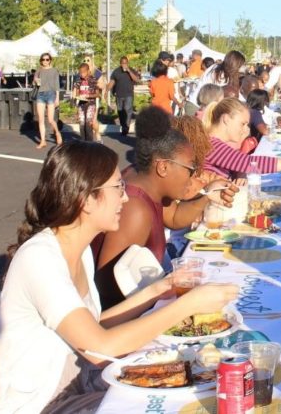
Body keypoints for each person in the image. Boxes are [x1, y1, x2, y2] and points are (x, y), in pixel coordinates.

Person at [0, 142, 239, 414]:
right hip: (42, 403)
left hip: (78, 383)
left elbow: (92, 326)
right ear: (87, 199)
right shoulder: (39, 260)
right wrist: (188, 304)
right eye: (118, 188)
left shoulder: (79, 248)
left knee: (200, 380)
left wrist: (159, 289)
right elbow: (99, 345)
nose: (124, 198)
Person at [93, 107, 236, 308]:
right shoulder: (135, 208)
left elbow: (175, 217)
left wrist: (206, 196)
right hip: (126, 318)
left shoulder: (146, 180)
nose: (193, 176)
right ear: (163, 167)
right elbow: (108, 284)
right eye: (190, 168)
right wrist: (163, 293)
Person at [203, 98, 281, 179]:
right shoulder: (210, 145)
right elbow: (251, 164)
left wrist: (240, 172)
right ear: (226, 119)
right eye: (242, 124)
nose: (245, 129)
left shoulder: (211, 141)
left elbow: (238, 161)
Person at [33, 52, 63, 148]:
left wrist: (57, 98)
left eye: (47, 59)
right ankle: (43, 141)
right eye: (43, 59)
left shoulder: (54, 71)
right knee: (40, 120)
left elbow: (57, 85)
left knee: (50, 119)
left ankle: (57, 133)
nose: (45, 61)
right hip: (40, 95)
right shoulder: (39, 70)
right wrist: (35, 80)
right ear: (41, 61)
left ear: (50, 60)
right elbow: (34, 82)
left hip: (51, 94)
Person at [107, 56, 140, 137]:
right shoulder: (116, 71)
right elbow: (112, 82)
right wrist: (107, 90)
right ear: (120, 63)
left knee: (128, 111)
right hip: (119, 95)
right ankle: (123, 125)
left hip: (128, 94)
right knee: (120, 111)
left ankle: (126, 127)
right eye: (122, 63)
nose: (124, 64)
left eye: (125, 63)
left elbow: (137, 80)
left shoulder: (131, 70)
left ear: (127, 63)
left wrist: (129, 71)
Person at [73, 63, 101, 142]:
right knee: (81, 123)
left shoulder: (93, 80)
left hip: (91, 104)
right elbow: (77, 93)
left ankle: (89, 143)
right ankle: (83, 142)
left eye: (83, 72)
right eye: (80, 72)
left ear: (88, 71)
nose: (81, 74)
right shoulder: (78, 80)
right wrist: (78, 97)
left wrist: (89, 95)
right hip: (81, 104)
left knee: (88, 124)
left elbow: (98, 94)